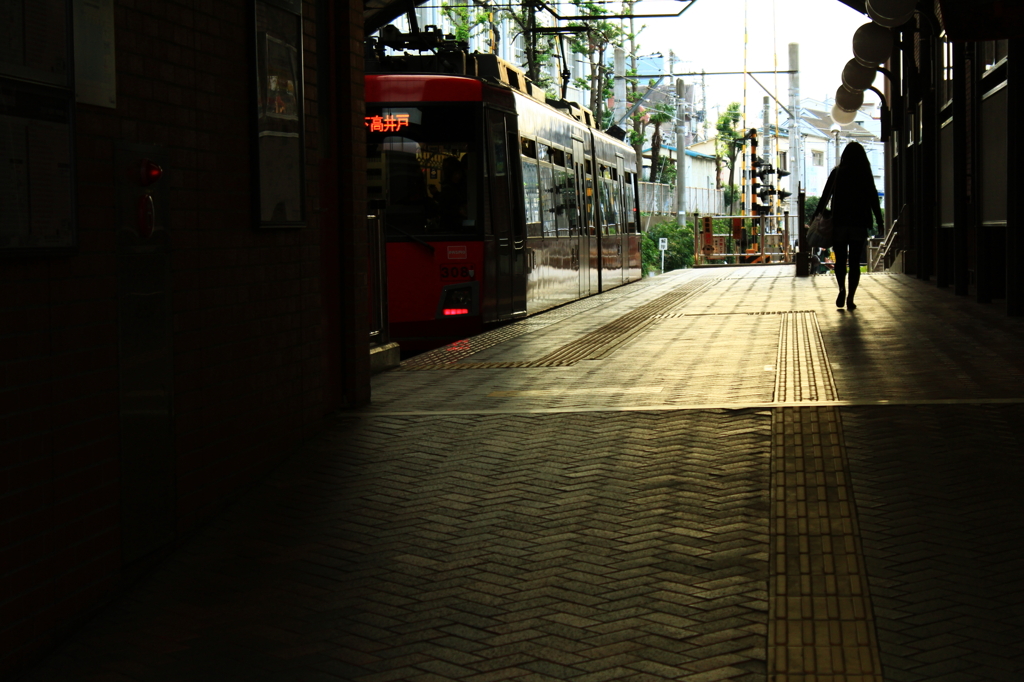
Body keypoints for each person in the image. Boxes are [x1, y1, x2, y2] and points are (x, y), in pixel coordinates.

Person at [810, 142, 883, 311]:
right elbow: (873, 198)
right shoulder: (865, 174)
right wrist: (879, 221)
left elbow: (825, 196)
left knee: (841, 261)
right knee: (855, 262)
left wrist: (816, 215)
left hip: (839, 224)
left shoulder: (837, 173)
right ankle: (851, 297)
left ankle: (841, 289)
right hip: (859, 224)